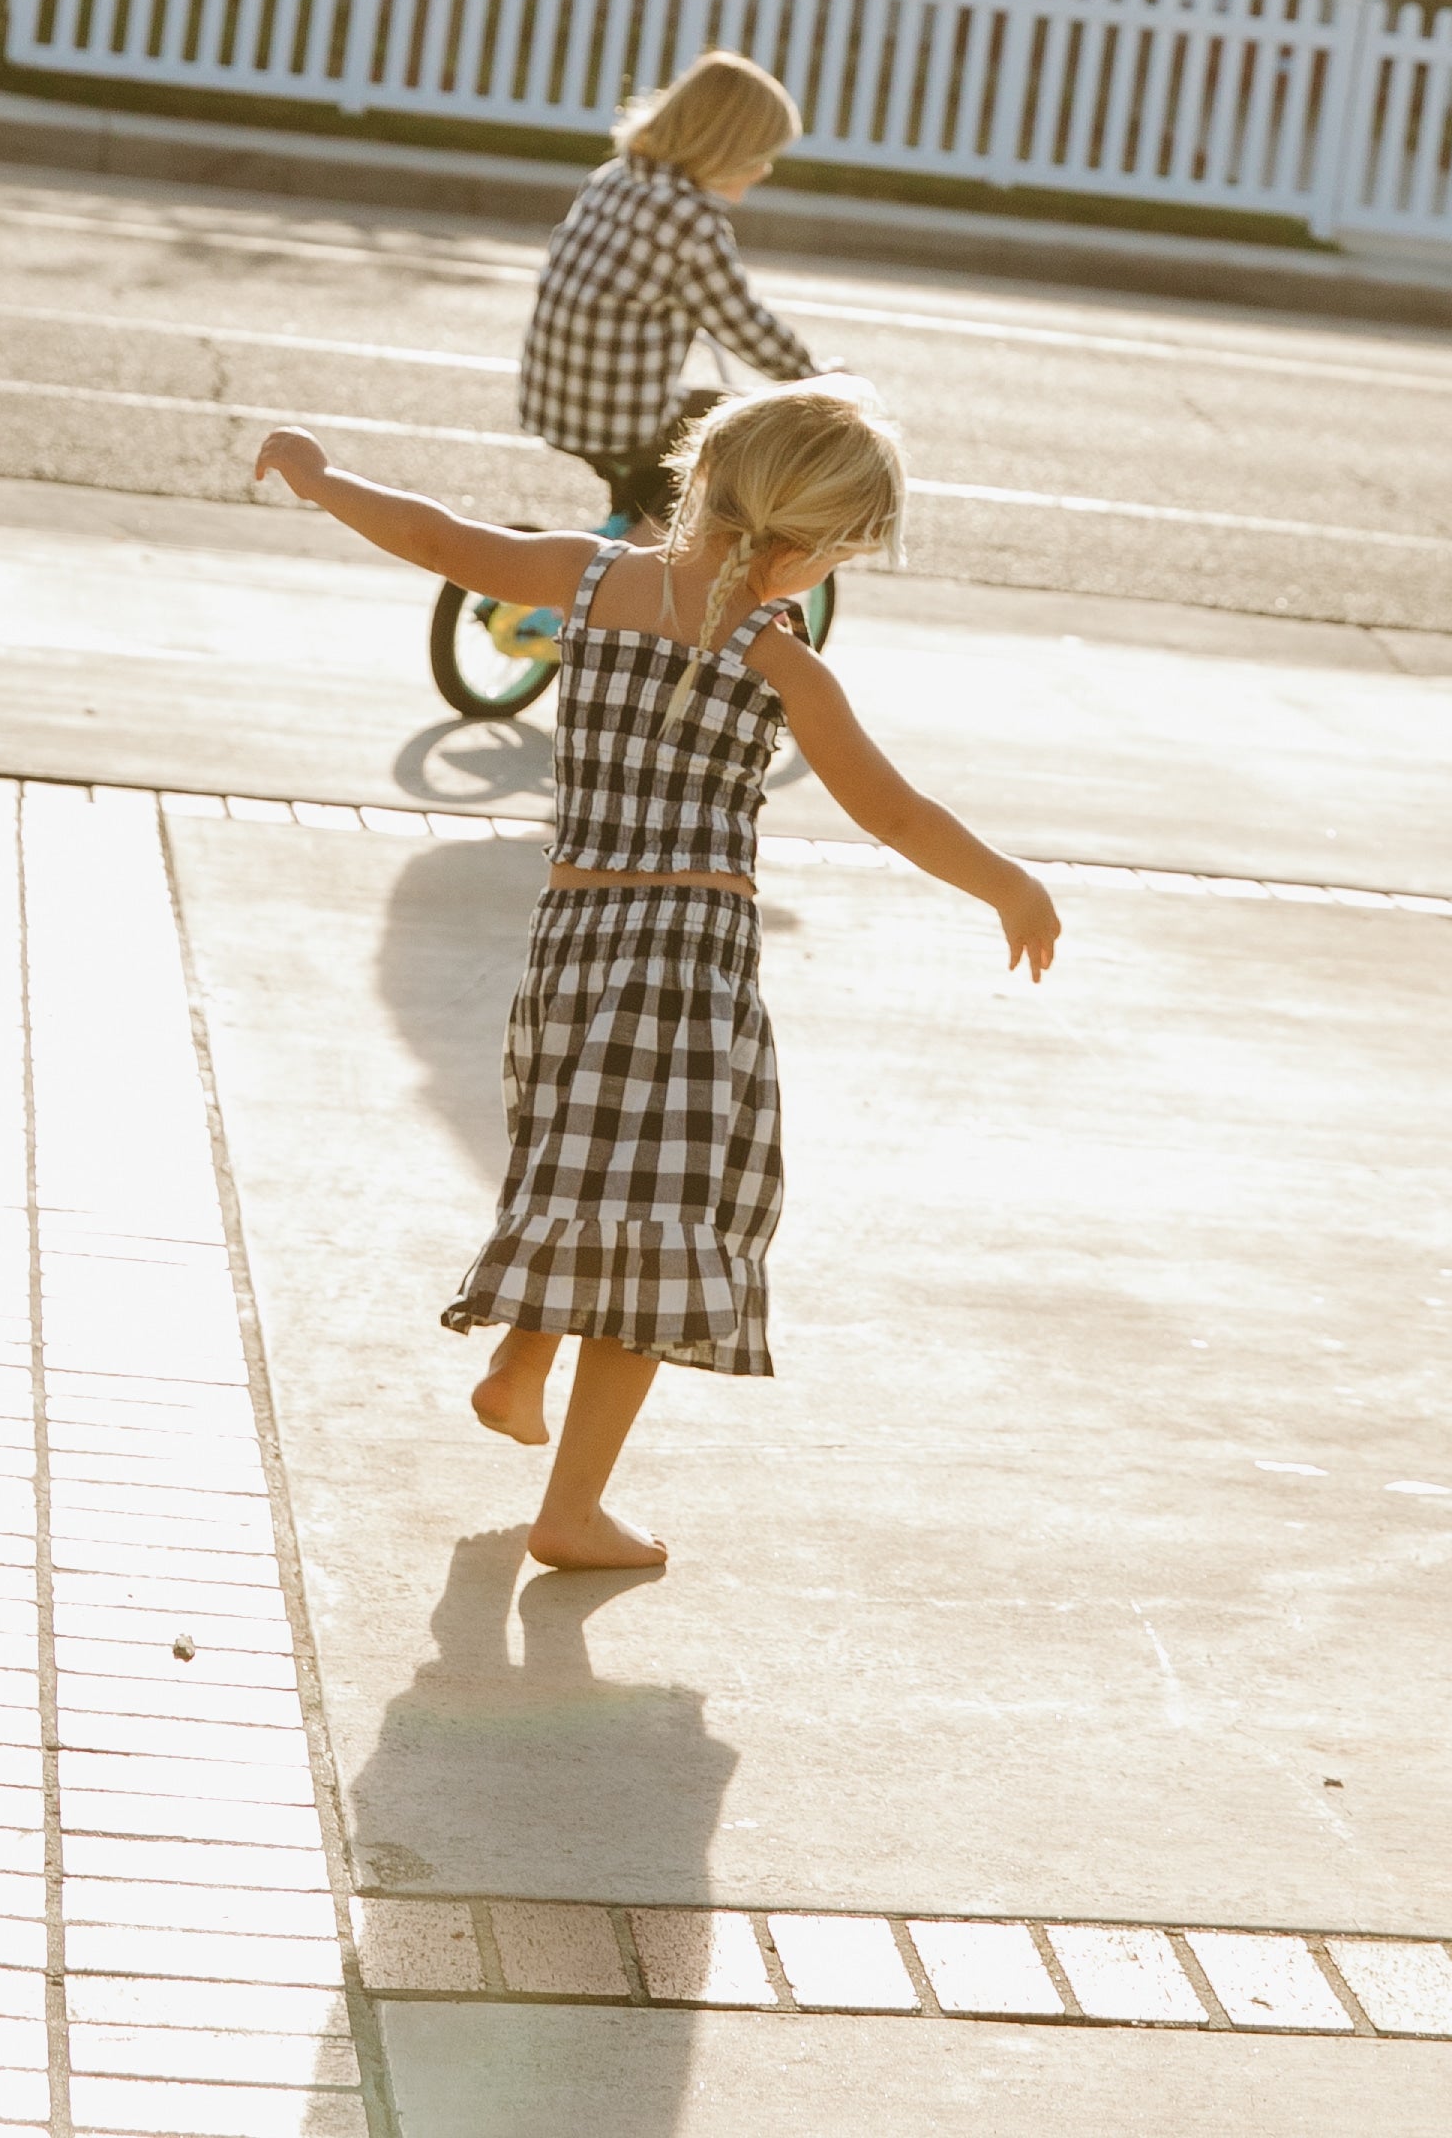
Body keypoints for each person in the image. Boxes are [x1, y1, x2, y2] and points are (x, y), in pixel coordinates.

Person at [253, 379, 1062, 1574]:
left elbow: (438, 538)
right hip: (688, 964)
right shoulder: (780, 662)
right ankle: (571, 1506)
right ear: (802, 547)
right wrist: (1007, 883)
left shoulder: (588, 579)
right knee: (665, 1224)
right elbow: (889, 809)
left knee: (578, 1160)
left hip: (571, 944)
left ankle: (520, 1363)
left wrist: (322, 479)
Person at [519, 49, 820, 529]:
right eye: (761, 156)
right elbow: (744, 324)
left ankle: (624, 548)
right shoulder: (691, 221)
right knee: (739, 427)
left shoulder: (613, 178)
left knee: (693, 420)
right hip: (616, 419)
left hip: (553, 399)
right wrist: (815, 381)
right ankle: (635, 563)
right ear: (728, 148)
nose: (765, 170)